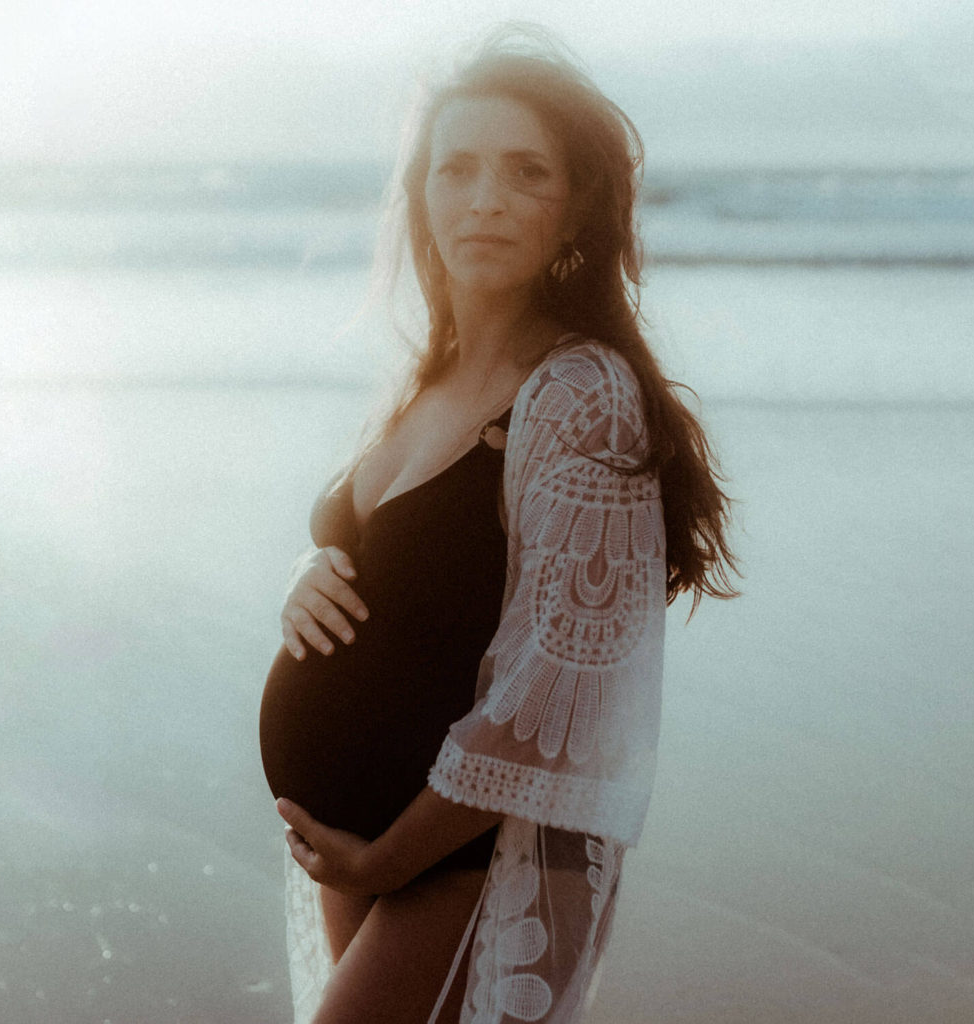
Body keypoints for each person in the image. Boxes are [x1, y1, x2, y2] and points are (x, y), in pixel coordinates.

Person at [259, 26, 738, 1024]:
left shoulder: (577, 393)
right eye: (457, 168)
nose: (484, 196)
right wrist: (309, 569)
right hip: (355, 837)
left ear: (575, 210)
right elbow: (410, 555)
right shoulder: (424, 375)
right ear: (422, 198)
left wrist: (387, 853)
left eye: (526, 172)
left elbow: (554, 691)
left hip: (459, 847)